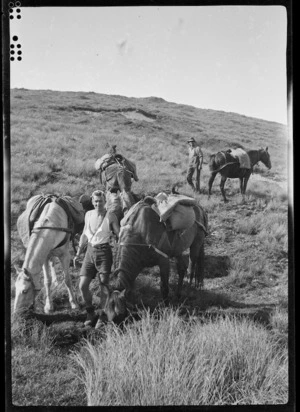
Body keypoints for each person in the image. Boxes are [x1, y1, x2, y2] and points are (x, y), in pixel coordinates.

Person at [73, 190, 120, 326]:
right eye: (95, 201)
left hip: (104, 252)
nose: (98, 203)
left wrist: (121, 242)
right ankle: (90, 311)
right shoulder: (88, 214)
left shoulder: (110, 216)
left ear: (105, 202)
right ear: (92, 202)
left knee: (103, 286)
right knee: (82, 285)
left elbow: (119, 234)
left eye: (100, 201)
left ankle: (103, 316)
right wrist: (78, 254)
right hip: (89, 252)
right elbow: (84, 235)